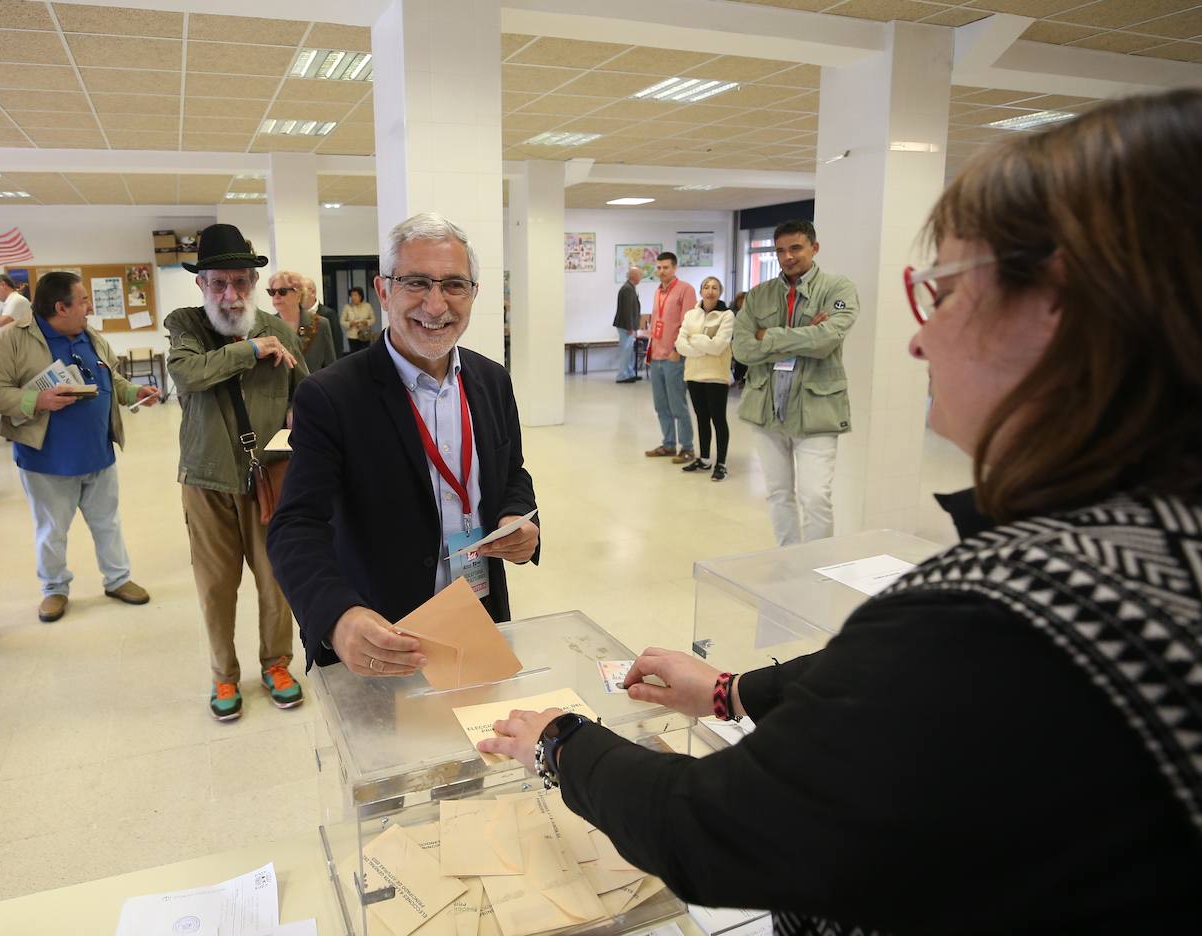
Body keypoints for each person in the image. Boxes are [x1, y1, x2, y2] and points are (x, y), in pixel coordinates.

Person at [479, 89, 1202, 934]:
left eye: (944, 290)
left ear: (1065, 304)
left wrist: (560, 740)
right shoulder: (1151, 544)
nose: (919, 340)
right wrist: (730, 689)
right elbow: (905, 706)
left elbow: (713, 830)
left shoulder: (1006, 613)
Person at [269, 212, 540, 678]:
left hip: (479, 615)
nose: (436, 306)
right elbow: (295, 526)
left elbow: (512, 470)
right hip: (383, 638)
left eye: (454, 285)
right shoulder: (332, 396)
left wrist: (518, 517)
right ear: (382, 290)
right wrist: (337, 617)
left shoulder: (492, 380)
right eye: (416, 282)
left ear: (474, 293)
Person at [166, 224, 311, 722]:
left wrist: (299, 413)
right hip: (207, 479)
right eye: (219, 283)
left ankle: (277, 664)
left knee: (276, 580)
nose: (231, 295)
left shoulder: (281, 328)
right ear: (201, 284)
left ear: (253, 282)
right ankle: (224, 673)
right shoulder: (187, 325)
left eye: (241, 282)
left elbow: (305, 395)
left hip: (269, 477)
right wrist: (250, 350)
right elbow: (188, 372)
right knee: (216, 584)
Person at [0, 271, 157, 623]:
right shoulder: (12, 340)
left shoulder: (89, 335)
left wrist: (133, 392)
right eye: (82, 301)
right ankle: (54, 589)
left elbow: (112, 378)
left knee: (108, 523)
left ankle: (118, 579)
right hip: (46, 458)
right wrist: (38, 399)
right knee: (51, 531)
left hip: (98, 452)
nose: (88, 307)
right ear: (60, 307)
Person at [733, 220, 858, 545]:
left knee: (815, 498)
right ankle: (788, 559)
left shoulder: (838, 290)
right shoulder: (759, 295)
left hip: (817, 411)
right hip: (767, 411)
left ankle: (814, 568)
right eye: (780, 251)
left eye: (796, 248)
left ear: (814, 248)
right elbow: (742, 349)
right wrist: (804, 336)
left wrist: (768, 335)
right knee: (777, 494)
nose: (787, 257)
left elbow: (826, 340)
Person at [675, 275, 734, 481]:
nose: (710, 291)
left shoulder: (726, 315)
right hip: (694, 374)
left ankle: (721, 463)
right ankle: (705, 459)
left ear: (720, 292)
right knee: (701, 419)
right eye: (706, 287)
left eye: (715, 287)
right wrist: (703, 346)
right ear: (701, 291)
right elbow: (680, 343)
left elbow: (719, 346)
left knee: (718, 419)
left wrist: (696, 341)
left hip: (716, 375)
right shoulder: (691, 314)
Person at [643, 253, 696, 464]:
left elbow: (688, 323)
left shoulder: (686, 290)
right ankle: (668, 444)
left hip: (674, 356)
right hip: (656, 356)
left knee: (677, 405)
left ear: (674, 268)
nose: (662, 271)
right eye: (659, 267)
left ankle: (688, 447)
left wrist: (677, 349)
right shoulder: (658, 291)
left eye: (666, 267)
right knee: (661, 405)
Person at [267, 270, 336, 373]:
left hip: (312, 387)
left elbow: (330, 365)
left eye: (282, 291)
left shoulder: (320, 324)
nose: (276, 296)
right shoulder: (268, 326)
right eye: (272, 292)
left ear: (298, 294)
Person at [300, 275, 345, 361]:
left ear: (312, 292)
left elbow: (337, 343)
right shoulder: (298, 315)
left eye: (302, 292)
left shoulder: (328, 314)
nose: (299, 296)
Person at [612, 266, 642, 383]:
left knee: (628, 351)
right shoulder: (628, 289)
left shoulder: (630, 287)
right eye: (640, 275)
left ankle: (629, 373)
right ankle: (622, 376)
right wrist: (630, 327)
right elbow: (627, 309)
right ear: (634, 276)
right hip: (626, 325)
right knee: (626, 351)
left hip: (627, 324)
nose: (641, 278)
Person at [342, 286, 376, 353]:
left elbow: (373, 319)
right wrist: (350, 323)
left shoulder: (367, 306)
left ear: (360, 296)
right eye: (351, 295)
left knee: (365, 353)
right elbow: (342, 321)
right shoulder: (347, 307)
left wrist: (366, 322)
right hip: (352, 336)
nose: (353, 297)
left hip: (365, 335)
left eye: (355, 295)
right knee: (354, 355)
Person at [729, 290, 748, 387]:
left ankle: (742, 378)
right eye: (740, 301)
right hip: (732, 340)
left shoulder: (751, 314)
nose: (742, 303)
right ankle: (735, 378)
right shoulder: (731, 314)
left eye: (744, 301)